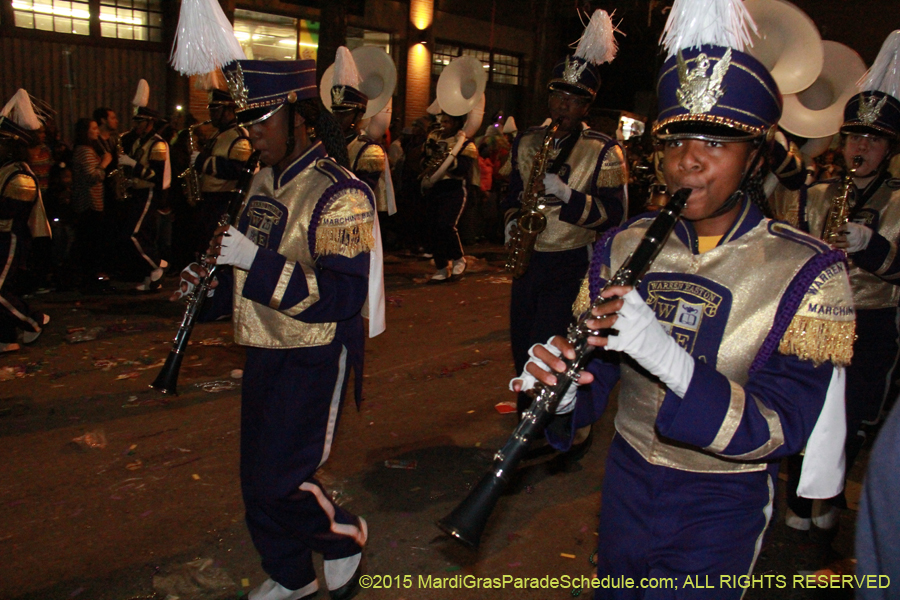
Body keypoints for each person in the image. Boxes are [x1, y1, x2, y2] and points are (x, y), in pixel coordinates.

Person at [513, 2, 856, 596]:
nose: (687, 161)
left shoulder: (809, 271)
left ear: (753, 155)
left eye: (716, 143)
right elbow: (592, 372)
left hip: (722, 498)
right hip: (625, 479)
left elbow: (781, 429)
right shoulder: (623, 247)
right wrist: (563, 396)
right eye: (677, 141)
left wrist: (670, 361)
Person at [174, 58, 375, 600]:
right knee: (253, 478)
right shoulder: (263, 179)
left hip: (313, 349)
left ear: (301, 118)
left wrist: (253, 263)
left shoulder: (342, 192)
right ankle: (291, 574)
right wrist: (212, 281)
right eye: (247, 121)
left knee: (280, 479)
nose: (251, 133)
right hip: (264, 344)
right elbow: (245, 267)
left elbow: (343, 296)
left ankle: (343, 536)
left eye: (263, 119)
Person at [778, 30, 900, 535]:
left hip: (872, 323)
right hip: (816, 320)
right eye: (854, 137)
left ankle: (825, 498)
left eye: (872, 140)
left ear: (889, 148)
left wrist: (868, 244)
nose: (861, 147)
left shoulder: (898, 198)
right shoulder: (818, 193)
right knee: (803, 408)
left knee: (856, 418)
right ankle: (797, 499)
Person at [504, 9, 628, 424]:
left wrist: (568, 196)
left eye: (572, 100)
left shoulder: (604, 149)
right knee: (522, 340)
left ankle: (551, 420)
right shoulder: (527, 140)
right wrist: (510, 222)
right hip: (528, 258)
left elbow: (615, 214)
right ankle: (527, 411)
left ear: (586, 103)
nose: (562, 105)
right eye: (558, 96)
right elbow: (509, 193)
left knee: (551, 343)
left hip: (569, 260)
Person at [0, 89, 51, 352]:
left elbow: (10, 213)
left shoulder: (20, 175)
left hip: (10, 239)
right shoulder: (6, 169)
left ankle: (34, 320)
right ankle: (6, 337)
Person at [120, 79, 170, 291]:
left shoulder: (157, 144)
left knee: (134, 234)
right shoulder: (140, 142)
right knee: (143, 234)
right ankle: (151, 277)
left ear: (149, 122)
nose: (135, 126)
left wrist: (133, 165)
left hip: (150, 194)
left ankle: (157, 265)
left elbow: (155, 177)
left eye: (139, 122)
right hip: (137, 192)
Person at [192, 89, 252, 252]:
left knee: (216, 246)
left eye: (215, 110)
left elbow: (237, 170)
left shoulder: (239, 135)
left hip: (224, 200)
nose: (211, 114)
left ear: (229, 110)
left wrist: (202, 162)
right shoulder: (218, 134)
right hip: (209, 199)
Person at [420, 111, 477, 282]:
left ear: (457, 124)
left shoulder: (465, 143)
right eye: (442, 121)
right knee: (433, 228)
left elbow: (462, 170)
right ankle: (441, 267)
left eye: (448, 122)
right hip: (435, 187)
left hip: (454, 188)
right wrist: (431, 155)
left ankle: (459, 259)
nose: (444, 125)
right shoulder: (434, 138)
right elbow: (423, 163)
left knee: (446, 225)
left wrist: (446, 158)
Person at [71, 118, 112, 286]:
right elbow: (91, 176)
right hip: (89, 202)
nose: (97, 131)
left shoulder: (88, 149)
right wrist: (104, 163)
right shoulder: (85, 151)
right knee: (90, 243)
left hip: (92, 202)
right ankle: (90, 278)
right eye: (93, 129)